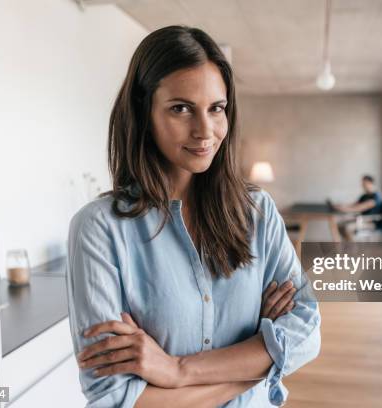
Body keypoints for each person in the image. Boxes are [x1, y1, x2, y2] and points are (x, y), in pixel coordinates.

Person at [66, 25, 321, 408]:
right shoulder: (99, 229)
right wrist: (261, 354)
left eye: (216, 109)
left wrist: (177, 370)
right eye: (181, 108)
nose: (205, 131)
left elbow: (306, 334)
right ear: (143, 111)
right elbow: (115, 398)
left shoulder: (258, 212)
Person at [329, 175, 382, 240]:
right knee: (340, 225)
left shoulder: (376, 197)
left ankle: (352, 248)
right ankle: (348, 246)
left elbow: (358, 208)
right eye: (362, 183)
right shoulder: (364, 196)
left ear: (370, 183)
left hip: (371, 222)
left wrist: (343, 209)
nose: (362, 185)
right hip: (361, 220)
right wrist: (340, 206)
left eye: (364, 183)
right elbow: (354, 205)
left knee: (348, 227)